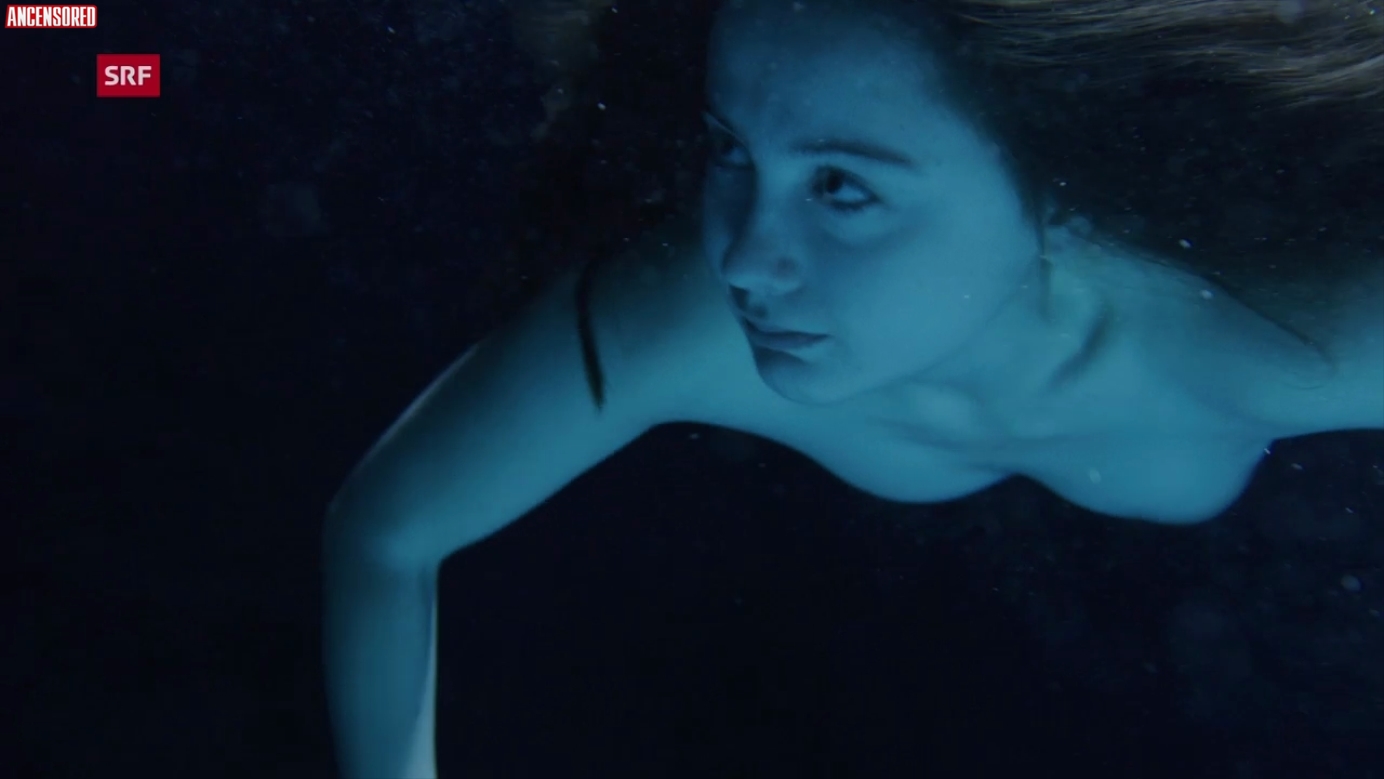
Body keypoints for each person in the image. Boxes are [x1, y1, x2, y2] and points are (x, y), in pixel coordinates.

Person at [322, 0, 1384, 775]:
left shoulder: (1280, 327)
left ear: (1060, 197)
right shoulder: (681, 319)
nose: (742, 257)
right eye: (729, 148)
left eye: (841, 185)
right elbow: (388, 532)